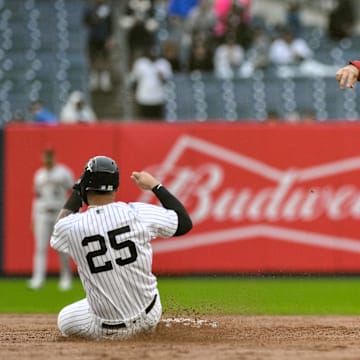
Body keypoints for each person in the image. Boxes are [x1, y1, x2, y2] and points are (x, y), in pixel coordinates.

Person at [50, 155, 192, 339]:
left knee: (65, 318)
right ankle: (148, 330)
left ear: (86, 187)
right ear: (116, 187)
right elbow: (184, 223)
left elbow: (58, 228)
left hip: (107, 330)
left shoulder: (70, 227)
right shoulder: (137, 212)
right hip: (150, 315)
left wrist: (78, 190)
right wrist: (155, 186)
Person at [28, 148, 74, 290]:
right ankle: (38, 278)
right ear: (42, 157)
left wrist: (70, 213)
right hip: (42, 213)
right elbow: (37, 197)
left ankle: (66, 277)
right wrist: (33, 218)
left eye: (50, 156)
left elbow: (72, 192)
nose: (48, 159)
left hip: (59, 212)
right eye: (45, 156)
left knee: (62, 246)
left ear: (54, 157)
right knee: (40, 247)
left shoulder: (63, 172)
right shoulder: (39, 175)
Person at [128, 48, 173, 120]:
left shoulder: (163, 64)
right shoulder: (140, 63)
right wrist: (132, 94)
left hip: (158, 98)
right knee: (144, 122)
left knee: (157, 122)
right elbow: (133, 80)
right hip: (144, 98)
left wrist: (162, 77)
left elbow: (169, 81)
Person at [83, 0, 113, 92]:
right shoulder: (90, 9)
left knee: (105, 59)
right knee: (93, 59)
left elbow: (111, 25)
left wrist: (110, 38)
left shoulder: (107, 9)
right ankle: (94, 80)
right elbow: (85, 22)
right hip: (93, 38)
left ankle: (105, 81)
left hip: (104, 38)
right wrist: (96, 17)